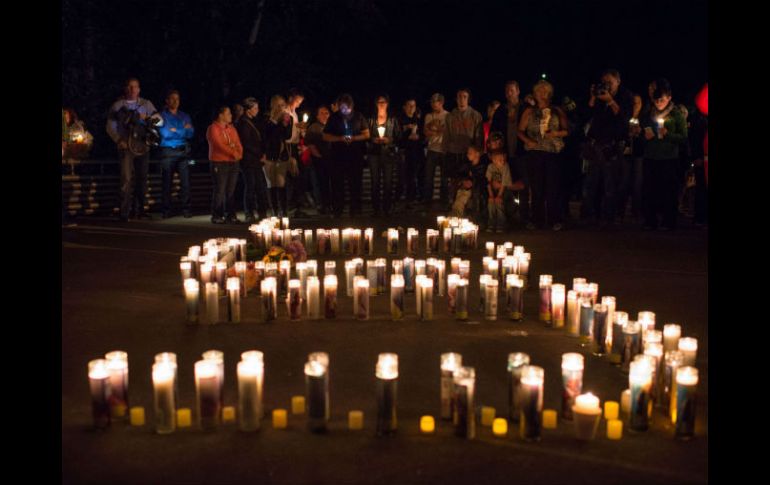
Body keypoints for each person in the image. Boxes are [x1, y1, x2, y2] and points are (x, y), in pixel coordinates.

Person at [581, 68, 635, 227]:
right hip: (595, 144)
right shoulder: (599, 95)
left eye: (610, 82)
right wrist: (592, 97)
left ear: (618, 81)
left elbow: (624, 119)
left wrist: (611, 101)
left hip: (613, 145)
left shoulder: (626, 96)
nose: (607, 86)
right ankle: (592, 215)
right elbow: (587, 115)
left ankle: (609, 218)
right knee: (592, 183)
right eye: (604, 83)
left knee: (611, 183)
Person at [106, 77, 161, 221]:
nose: (132, 89)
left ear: (139, 89)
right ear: (126, 88)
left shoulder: (146, 104)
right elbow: (110, 126)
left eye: (135, 87)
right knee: (126, 180)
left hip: (143, 147)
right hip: (126, 147)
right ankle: (124, 213)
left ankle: (140, 210)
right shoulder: (118, 105)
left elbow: (160, 121)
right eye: (130, 86)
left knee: (142, 179)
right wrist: (118, 140)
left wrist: (147, 117)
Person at [517, 79, 569, 231]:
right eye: (539, 91)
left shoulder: (557, 110)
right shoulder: (529, 111)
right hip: (535, 152)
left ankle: (554, 219)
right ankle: (537, 220)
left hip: (552, 151)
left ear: (549, 93)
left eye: (545, 91)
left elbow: (566, 131)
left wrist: (555, 133)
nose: (542, 94)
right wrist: (528, 140)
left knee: (552, 186)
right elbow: (519, 131)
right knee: (536, 187)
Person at [640, 78, 687, 231]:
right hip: (651, 156)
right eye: (656, 99)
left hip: (668, 158)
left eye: (662, 99)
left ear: (669, 97)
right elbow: (643, 127)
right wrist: (642, 134)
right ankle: (650, 220)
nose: (658, 102)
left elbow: (683, 137)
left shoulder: (676, 114)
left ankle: (668, 221)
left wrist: (668, 135)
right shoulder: (648, 111)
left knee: (668, 191)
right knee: (650, 189)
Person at [323, 93, 370, 217]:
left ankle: (355, 210)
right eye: (341, 108)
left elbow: (366, 134)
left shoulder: (359, 116)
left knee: (355, 184)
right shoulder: (334, 118)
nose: (344, 111)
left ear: (351, 106)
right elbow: (325, 135)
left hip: (355, 156)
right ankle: (338, 210)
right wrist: (339, 138)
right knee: (337, 184)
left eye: (346, 108)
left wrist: (354, 138)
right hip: (338, 156)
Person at [443, 88, 484, 209]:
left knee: (467, 180)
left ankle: (468, 205)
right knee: (453, 180)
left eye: (464, 96)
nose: (462, 99)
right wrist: (445, 150)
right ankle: (453, 204)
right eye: (459, 96)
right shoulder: (450, 116)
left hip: (468, 153)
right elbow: (446, 134)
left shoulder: (475, 115)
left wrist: (478, 153)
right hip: (453, 152)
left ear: (468, 99)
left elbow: (479, 136)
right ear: (456, 99)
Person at [157, 89, 194, 218]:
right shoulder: (161, 116)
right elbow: (165, 133)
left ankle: (186, 209)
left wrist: (175, 131)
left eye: (177, 99)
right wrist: (182, 130)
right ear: (167, 101)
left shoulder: (184, 116)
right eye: (172, 99)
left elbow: (191, 133)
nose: (175, 101)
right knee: (167, 183)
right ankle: (166, 211)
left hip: (183, 151)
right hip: (168, 151)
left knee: (185, 182)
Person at [206, 106, 243, 224]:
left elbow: (237, 143)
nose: (231, 115)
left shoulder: (231, 128)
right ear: (220, 115)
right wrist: (233, 152)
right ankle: (216, 215)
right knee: (220, 190)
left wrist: (238, 153)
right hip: (219, 162)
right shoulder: (213, 128)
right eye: (228, 113)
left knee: (230, 190)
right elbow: (218, 145)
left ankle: (230, 215)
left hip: (233, 163)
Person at [235, 96, 269, 223]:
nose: (257, 110)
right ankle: (249, 212)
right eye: (255, 108)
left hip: (256, 159)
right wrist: (260, 154)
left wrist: (263, 153)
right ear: (248, 109)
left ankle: (262, 211)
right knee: (250, 186)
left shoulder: (254, 121)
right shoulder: (243, 123)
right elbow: (247, 143)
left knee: (260, 186)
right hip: (248, 160)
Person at [367, 95, 400, 217]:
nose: (381, 104)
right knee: (375, 182)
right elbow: (366, 134)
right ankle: (376, 209)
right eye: (379, 102)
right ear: (376, 104)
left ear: (387, 104)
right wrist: (373, 140)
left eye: (384, 102)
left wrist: (389, 140)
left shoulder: (392, 119)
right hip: (374, 154)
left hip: (388, 154)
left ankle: (387, 208)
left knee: (388, 182)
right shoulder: (371, 119)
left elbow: (398, 136)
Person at [263, 95, 294, 217]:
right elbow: (267, 135)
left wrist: (285, 124)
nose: (281, 108)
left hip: (282, 155)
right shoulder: (267, 118)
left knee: (281, 183)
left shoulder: (287, 118)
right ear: (273, 106)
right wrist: (275, 120)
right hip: (269, 155)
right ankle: (274, 210)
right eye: (278, 105)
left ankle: (283, 210)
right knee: (271, 184)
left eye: (283, 105)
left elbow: (286, 136)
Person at [486, 148, 525, 232]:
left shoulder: (505, 166)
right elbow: (488, 182)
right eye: (500, 160)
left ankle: (501, 224)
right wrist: (491, 195)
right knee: (491, 203)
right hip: (494, 190)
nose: (502, 161)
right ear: (494, 160)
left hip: (504, 190)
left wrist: (499, 195)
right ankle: (491, 224)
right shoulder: (490, 167)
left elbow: (504, 183)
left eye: (503, 159)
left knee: (499, 203)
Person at [423, 93, 450, 210]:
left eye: (436, 102)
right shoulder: (429, 116)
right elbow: (426, 132)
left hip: (444, 149)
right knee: (429, 176)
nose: (434, 104)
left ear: (441, 103)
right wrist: (437, 131)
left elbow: (447, 131)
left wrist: (436, 130)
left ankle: (444, 201)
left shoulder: (448, 116)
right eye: (432, 102)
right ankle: (427, 202)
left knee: (445, 177)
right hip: (432, 149)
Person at [397, 97, 423, 210]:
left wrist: (418, 137)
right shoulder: (400, 120)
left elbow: (423, 135)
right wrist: (406, 132)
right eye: (409, 105)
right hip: (405, 153)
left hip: (417, 152)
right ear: (404, 107)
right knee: (405, 178)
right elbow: (398, 137)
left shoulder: (418, 120)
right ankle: (401, 200)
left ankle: (414, 200)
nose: (412, 108)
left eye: (414, 105)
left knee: (417, 176)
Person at [305, 105, 332, 215]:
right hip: (318, 160)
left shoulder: (331, 126)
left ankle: (330, 204)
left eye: (326, 113)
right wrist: (318, 156)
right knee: (319, 182)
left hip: (331, 159)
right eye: (322, 113)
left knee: (329, 183)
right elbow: (310, 144)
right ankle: (321, 204)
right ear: (317, 116)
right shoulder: (314, 128)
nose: (325, 115)